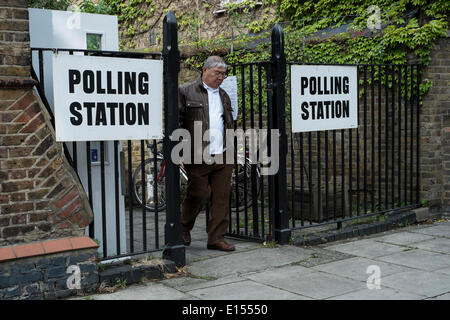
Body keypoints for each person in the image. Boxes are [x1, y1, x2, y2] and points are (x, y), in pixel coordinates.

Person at [178, 56, 235, 251]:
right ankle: (183, 228)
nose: (221, 77)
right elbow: (177, 123)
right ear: (204, 70)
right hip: (198, 153)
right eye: (217, 73)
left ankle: (216, 238)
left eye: (223, 74)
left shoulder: (224, 95)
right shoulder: (185, 92)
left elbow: (229, 122)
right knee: (198, 193)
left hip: (224, 153)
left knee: (222, 197)